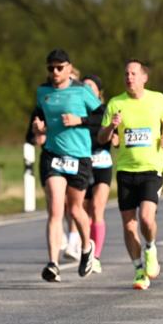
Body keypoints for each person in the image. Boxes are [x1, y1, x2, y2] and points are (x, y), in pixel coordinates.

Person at [98, 60, 163, 290]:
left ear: (144, 77)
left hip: (152, 168)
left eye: (133, 73)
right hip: (125, 171)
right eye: (126, 74)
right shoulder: (115, 103)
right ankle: (139, 269)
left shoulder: (157, 99)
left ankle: (150, 246)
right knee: (129, 225)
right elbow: (102, 138)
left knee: (147, 219)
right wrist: (111, 127)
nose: (129, 77)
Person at [30, 49, 103, 282]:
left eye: (59, 67)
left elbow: (102, 116)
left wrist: (79, 120)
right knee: (55, 209)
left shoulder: (81, 90)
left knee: (75, 209)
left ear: (69, 68)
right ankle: (53, 263)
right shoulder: (43, 92)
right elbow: (38, 116)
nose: (55, 72)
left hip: (80, 157)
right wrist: (38, 127)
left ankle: (86, 247)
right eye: (51, 68)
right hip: (53, 155)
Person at [82, 75, 115, 273]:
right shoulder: (77, 111)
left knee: (97, 208)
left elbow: (114, 137)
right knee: (84, 212)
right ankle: (87, 247)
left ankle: (96, 257)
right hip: (83, 164)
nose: (86, 89)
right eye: (83, 86)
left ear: (98, 92)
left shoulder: (105, 111)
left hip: (102, 162)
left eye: (90, 87)